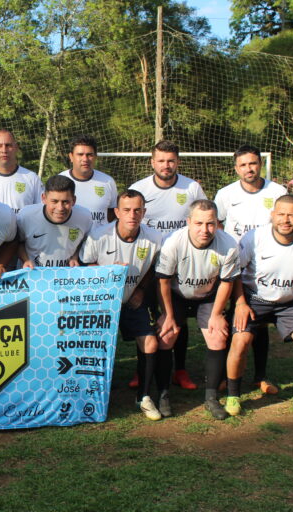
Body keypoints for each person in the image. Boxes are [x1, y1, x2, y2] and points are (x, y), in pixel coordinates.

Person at [226, 195, 293, 421]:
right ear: (272, 215)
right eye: (281, 214)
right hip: (254, 300)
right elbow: (234, 272)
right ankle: (233, 396)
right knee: (240, 341)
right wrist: (240, 303)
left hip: (290, 304)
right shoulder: (254, 238)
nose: (286, 220)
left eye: (292, 215)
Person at [129, 140, 207, 391]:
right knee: (147, 316)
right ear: (152, 162)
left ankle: (180, 370)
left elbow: (203, 218)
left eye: (171, 160)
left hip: (183, 265)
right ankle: (141, 371)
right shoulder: (139, 189)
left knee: (178, 319)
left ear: (178, 162)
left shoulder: (192, 188)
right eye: (161, 160)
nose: (166, 165)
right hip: (148, 264)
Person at [79, 190, 164, 420]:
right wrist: (109, 274)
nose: (132, 215)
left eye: (137, 210)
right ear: (116, 212)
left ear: (144, 212)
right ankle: (88, 393)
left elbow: (154, 267)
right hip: (103, 301)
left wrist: (141, 290)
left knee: (150, 343)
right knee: (92, 346)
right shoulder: (98, 236)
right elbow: (85, 264)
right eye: (126, 210)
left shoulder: (154, 238)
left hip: (133, 298)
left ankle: (144, 396)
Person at [156, 200, 240, 420]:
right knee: (166, 336)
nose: (205, 230)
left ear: (217, 223)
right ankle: (163, 394)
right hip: (177, 295)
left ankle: (211, 398)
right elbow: (163, 282)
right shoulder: (173, 242)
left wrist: (216, 315)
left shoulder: (229, 244)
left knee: (218, 337)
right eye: (199, 223)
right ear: (189, 222)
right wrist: (168, 315)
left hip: (208, 297)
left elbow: (226, 282)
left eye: (210, 224)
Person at [213, 145, 288, 394]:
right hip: (232, 266)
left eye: (253, 163)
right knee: (229, 321)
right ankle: (226, 375)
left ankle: (260, 376)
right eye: (243, 165)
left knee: (259, 322)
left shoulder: (277, 191)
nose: (249, 169)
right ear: (236, 168)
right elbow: (219, 224)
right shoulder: (225, 194)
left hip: (264, 267)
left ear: (260, 164)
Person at [17, 175, 93, 268]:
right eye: (54, 201)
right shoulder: (25, 216)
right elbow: (17, 242)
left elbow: (84, 241)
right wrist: (26, 260)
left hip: (65, 278)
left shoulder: (85, 217)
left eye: (65, 202)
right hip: (33, 276)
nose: (60, 208)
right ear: (44, 198)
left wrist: (75, 256)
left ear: (74, 200)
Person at [59, 135, 118, 227]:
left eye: (89, 155)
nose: (85, 159)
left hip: (100, 239)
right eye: (80, 154)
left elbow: (112, 211)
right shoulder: (60, 179)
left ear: (95, 157)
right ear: (71, 157)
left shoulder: (108, 181)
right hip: (69, 239)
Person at [0, 130, 43, 214]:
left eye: (8, 145)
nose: (4, 150)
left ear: (16, 147)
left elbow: (40, 211)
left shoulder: (32, 178)